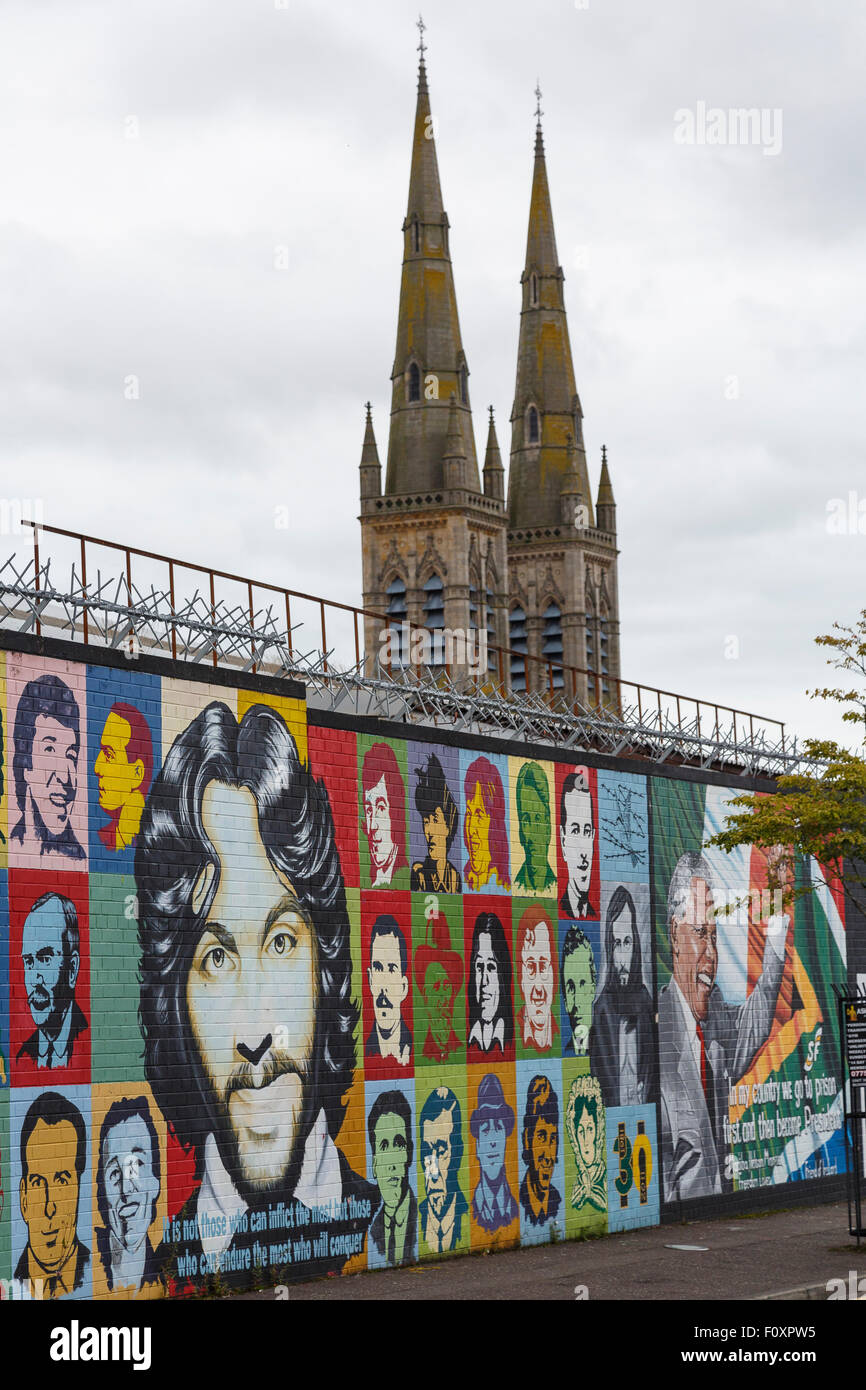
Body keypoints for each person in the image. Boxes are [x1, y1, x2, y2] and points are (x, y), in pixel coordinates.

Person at [136, 701, 376, 1287]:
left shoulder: (392, 1222)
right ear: (175, 1002)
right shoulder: (159, 1272)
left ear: (327, 968)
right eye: (215, 958)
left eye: (281, 942)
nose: (255, 1035)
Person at [658, 850, 789, 1202]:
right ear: (675, 934)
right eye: (701, 933)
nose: (712, 954)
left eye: (714, 937)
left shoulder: (715, 1014)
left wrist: (778, 907)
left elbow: (757, 1020)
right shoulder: (653, 1028)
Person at [16, 1091, 90, 1298]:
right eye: (38, 1183)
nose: (50, 1207)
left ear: (78, 1190)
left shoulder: (100, 1268)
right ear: (24, 1199)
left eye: (62, 1180)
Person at [590, 886, 656, 1106]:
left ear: (636, 943)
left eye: (627, 942)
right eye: (616, 944)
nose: (622, 958)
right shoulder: (602, 1009)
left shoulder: (646, 1002)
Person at [11, 674, 85, 861]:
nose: (65, 777)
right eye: (49, 749)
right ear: (26, 764)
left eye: (70, 755)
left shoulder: (78, 860)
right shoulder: (11, 845)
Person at [96, 1096, 163, 1294]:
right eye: (115, 1173)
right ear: (102, 1190)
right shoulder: (86, 1263)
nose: (126, 1190)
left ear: (155, 1183)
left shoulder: (167, 1269)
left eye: (137, 1164)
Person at [18, 892, 88, 1069]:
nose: (34, 979)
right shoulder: (23, 1057)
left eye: (45, 959)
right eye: (29, 961)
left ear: (72, 969)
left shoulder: (89, 1040)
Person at [94, 702, 154, 852]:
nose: (97, 768)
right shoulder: (105, 838)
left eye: (109, 755)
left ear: (137, 773)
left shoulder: (154, 847)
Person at [367, 1090, 417, 1267]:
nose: (391, 1164)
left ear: (409, 1155)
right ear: (374, 1164)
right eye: (384, 1146)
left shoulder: (420, 1220)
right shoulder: (373, 1232)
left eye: (399, 1145)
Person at [418, 1086, 468, 1254]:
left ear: (458, 1152)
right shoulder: (417, 1217)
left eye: (441, 1152)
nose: (433, 1171)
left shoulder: (467, 1215)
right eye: (426, 1152)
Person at [469, 1074, 518, 1233]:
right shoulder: (472, 1208)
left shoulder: (514, 1207)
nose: (492, 1141)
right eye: (485, 1130)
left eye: (498, 1128)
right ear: (477, 1146)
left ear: (505, 1140)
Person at [414, 911, 464, 1062]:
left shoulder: (460, 1047)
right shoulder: (422, 1052)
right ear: (425, 996)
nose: (443, 998)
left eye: (447, 986)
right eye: (436, 987)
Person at [411, 753, 461, 892]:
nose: (429, 831)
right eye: (426, 822)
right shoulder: (419, 873)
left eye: (435, 819)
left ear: (448, 825)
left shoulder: (454, 877)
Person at [366, 915, 412, 1066]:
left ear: (403, 987)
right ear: (370, 980)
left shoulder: (412, 1046)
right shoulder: (365, 1050)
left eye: (392, 969)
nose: (384, 985)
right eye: (378, 968)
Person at [361, 742, 408, 888]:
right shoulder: (371, 880)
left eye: (381, 808)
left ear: (395, 812)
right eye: (369, 810)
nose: (372, 826)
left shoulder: (405, 873)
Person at [467, 912, 514, 1055]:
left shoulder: (509, 1041)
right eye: (479, 967)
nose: (484, 981)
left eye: (491, 968)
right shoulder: (469, 1040)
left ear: (503, 975)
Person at [462, 755, 510, 892]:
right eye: (469, 814)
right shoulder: (464, 877)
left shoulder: (502, 882)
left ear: (496, 821)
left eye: (479, 815)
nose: (471, 829)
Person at [519, 1076, 561, 1227]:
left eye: (553, 1139)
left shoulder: (557, 1200)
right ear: (526, 1141)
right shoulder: (519, 1200)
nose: (549, 1155)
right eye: (541, 1137)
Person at [516, 906, 558, 1053]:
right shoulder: (514, 1031)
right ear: (520, 977)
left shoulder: (561, 1034)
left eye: (544, 966)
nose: (539, 988)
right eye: (531, 967)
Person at [559, 770, 597, 918]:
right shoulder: (560, 909)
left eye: (587, 832)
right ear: (563, 841)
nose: (583, 852)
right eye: (575, 831)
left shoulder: (593, 914)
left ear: (593, 838)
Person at [565, 1076, 606, 1213]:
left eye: (590, 1129)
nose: (586, 1140)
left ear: (598, 1131)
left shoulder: (605, 1182)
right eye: (580, 1131)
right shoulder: (577, 1190)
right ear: (574, 1137)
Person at [514, 762, 555, 893]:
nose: (531, 835)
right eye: (526, 821)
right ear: (520, 831)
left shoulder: (556, 886)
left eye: (538, 819)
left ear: (548, 827)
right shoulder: (515, 886)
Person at [560, 925, 596, 1058]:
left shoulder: (607, 1046)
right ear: (564, 996)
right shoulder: (567, 1051)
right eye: (570, 988)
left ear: (593, 987)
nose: (576, 1002)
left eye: (582, 984)